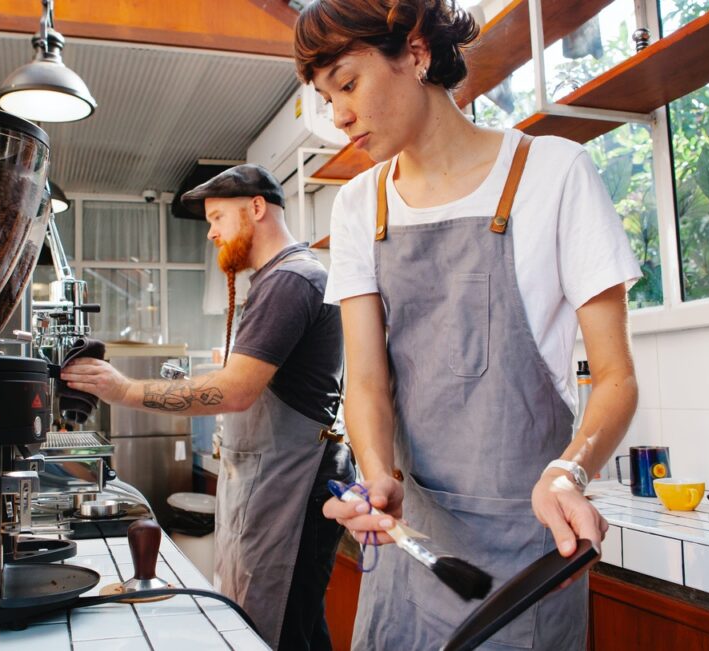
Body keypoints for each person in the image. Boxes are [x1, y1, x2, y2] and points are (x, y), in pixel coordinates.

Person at [293, 1, 640, 648]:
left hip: (528, 557)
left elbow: (616, 377)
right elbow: (366, 382)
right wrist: (377, 476)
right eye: (324, 96)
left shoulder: (554, 174)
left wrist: (572, 470)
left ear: (417, 51)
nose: (337, 116)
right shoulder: (357, 206)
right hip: (411, 548)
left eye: (347, 83)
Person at [60, 164, 355, 651]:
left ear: (257, 208)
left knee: (283, 626)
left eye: (218, 217)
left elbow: (235, 390)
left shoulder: (292, 281)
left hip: (294, 482)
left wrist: (123, 389)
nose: (213, 232)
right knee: (291, 619)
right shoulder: (275, 280)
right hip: (276, 478)